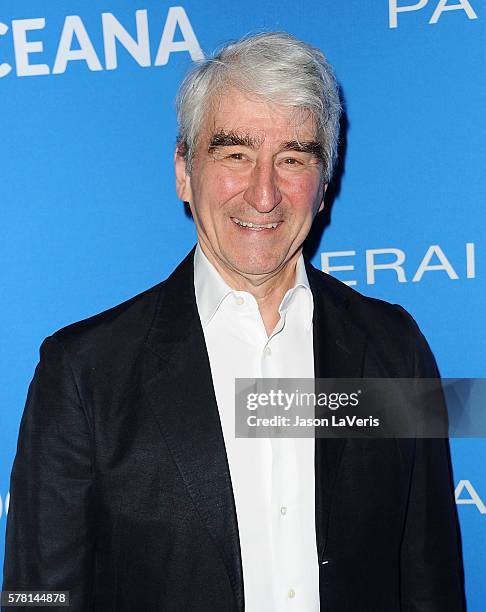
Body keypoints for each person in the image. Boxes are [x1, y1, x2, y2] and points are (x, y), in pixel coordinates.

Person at [3, 32, 464, 611]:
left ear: (324, 186)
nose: (264, 193)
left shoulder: (395, 348)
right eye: (235, 154)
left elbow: (431, 580)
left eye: (293, 159)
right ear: (183, 170)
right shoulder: (83, 374)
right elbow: (37, 597)